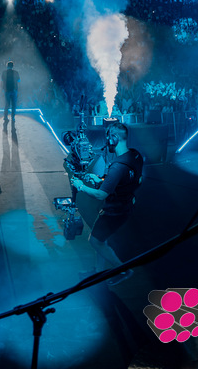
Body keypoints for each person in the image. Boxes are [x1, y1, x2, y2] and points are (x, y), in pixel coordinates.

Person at [70, 122, 145, 286]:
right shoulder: (135, 156)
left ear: (114, 138)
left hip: (114, 211)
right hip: (127, 205)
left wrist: (80, 186)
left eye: (108, 138)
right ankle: (99, 271)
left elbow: (100, 194)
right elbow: (129, 180)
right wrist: (102, 180)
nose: (107, 142)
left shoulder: (117, 167)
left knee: (94, 241)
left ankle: (124, 270)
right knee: (102, 240)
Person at [2, 61, 20, 132]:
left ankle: (5, 117)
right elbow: (19, 80)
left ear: (7, 66)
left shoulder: (4, 72)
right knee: (13, 105)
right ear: (12, 66)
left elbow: (2, 80)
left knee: (7, 104)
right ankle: (13, 117)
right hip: (14, 90)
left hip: (7, 90)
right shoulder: (16, 72)